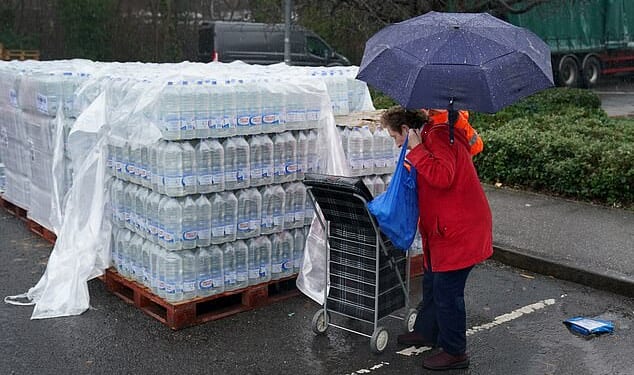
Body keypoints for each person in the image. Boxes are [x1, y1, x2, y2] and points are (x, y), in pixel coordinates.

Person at [380, 106, 493, 370]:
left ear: (407, 131)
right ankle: (428, 331)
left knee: (447, 292)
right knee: (432, 281)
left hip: (459, 230)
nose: (397, 145)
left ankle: (455, 352)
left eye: (395, 137)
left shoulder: (440, 136)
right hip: (444, 229)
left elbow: (444, 176)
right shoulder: (432, 133)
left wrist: (417, 151)